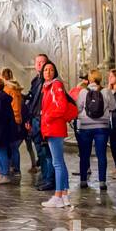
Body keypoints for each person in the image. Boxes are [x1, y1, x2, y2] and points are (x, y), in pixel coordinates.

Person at [39, 61, 77, 208]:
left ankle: (58, 195)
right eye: (45, 70)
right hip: (52, 127)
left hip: (54, 127)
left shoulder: (56, 85)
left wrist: (47, 116)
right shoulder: (47, 87)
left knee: (57, 163)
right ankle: (64, 194)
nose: (48, 72)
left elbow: (61, 107)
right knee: (60, 162)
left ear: (55, 72)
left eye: (51, 69)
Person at [74, 69, 116, 191]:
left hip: (85, 127)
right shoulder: (106, 91)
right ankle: (102, 182)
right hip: (102, 127)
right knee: (101, 154)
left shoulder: (83, 92)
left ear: (90, 79)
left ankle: (83, 181)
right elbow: (113, 106)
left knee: (84, 154)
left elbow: (78, 108)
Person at [23, 55, 53, 189]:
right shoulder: (35, 81)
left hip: (44, 119)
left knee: (47, 151)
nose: (40, 64)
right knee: (40, 150)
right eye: (37, 62)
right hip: (35, 119)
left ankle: (50, 179)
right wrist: (28, 119)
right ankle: (45, 177)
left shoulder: (50, 82)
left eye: (42, 62)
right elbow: (32, 102)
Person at [0, 68, 25, 177]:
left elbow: (11, 106)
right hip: (18, 119)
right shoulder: (16, 88)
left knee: (12, 146)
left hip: (12, 120)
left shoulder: (8, 89)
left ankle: (14, 168)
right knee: (14, 147)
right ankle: (15, 168)